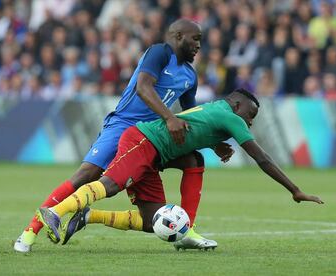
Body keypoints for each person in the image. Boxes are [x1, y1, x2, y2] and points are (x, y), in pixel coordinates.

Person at [14, 19, 231, 252]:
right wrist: (169, 118)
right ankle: (30, 231)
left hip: (151, 138)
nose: (199, 45)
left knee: (186, 170)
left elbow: (191, 115)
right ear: (178, 36)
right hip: (123, 124)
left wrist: (214, 143)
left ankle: (187, 230)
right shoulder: (159, 53)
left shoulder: (190, 75)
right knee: (88, 173)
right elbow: (143, 87)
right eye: (195, 39)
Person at [37, 88, 324, 250]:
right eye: (250, 115)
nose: (249, 122)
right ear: (237, 105)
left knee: (155, 219)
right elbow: (262, 158)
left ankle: (89, 215)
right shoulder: (231, 117)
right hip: (143, 140)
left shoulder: (216, 110)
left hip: (157, 153)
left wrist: (212, 144)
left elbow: (194, 129)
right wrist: (295, 190)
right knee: (111, 185)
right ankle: (55, 212)